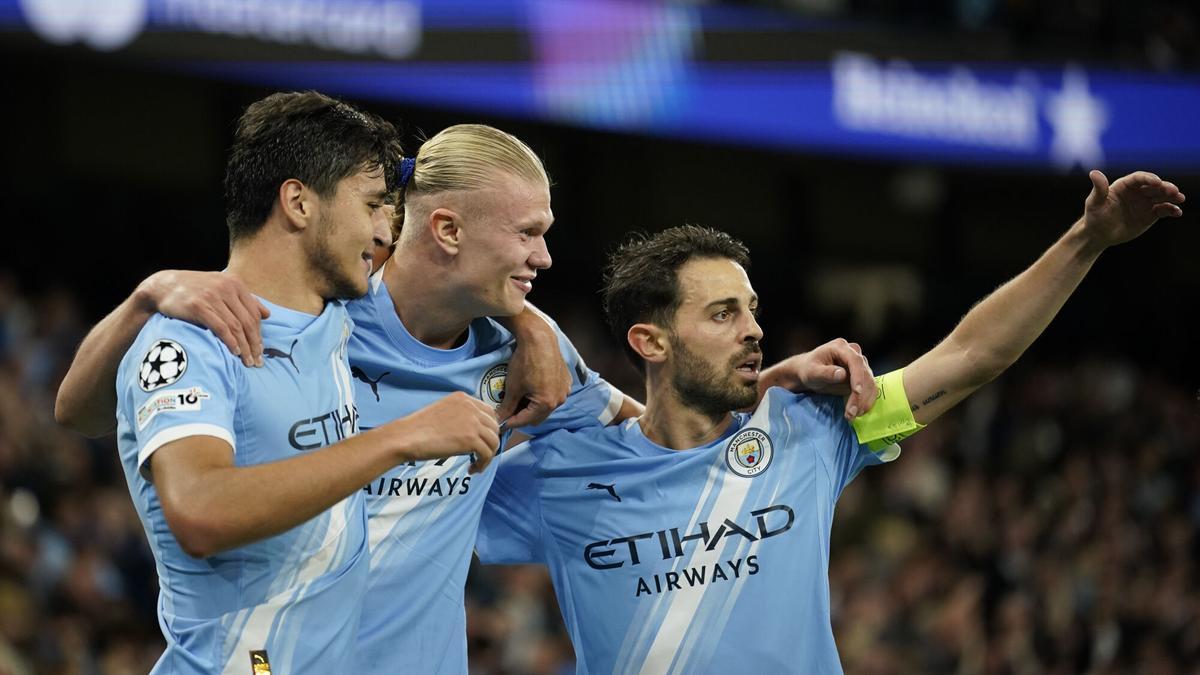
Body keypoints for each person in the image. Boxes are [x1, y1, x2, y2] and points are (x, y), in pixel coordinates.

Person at [57, 121, 878, 671]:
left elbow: (658, 435)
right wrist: (148, 295)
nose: (546, 256)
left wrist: (761, 393)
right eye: (529, 234)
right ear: (445, 230)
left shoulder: (528, 344)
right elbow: (89, 414)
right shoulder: (313, 314)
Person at [476, 171, 1185, 674]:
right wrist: (526, 321)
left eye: (752, 308)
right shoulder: (565, 470)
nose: (754, 330)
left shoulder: (808, 427)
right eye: (723, 313)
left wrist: (1087, 239)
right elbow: (412, 500)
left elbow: (971, 355)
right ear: (650, 341)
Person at [84, 91, 511, 674]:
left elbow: (454, 270)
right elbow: (200, 513)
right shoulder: (194, 339)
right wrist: (400, 439)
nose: (385, 232)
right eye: (371, 205)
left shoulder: (335, 317)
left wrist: (530, 326)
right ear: (299, 203)